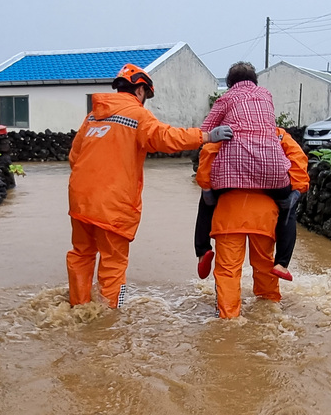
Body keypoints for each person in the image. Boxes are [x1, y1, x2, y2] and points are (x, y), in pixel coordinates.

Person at [66, 63, 233, 308]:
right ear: (140, 90)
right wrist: (206, 136)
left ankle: (78, 307)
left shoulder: (92, 116)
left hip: (80, 200)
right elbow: (166, 138)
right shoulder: (137, 115)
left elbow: (74, 157)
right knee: (113, 262)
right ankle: (109, 316)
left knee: (81, 254)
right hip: (113, 203)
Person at [194, 61, 304, 281]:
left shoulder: (225, 109)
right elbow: (298, 160)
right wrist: (296, 192)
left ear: (230, 83)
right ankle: (282, 263)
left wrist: (207, 189)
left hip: (230, 183)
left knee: (205, 204)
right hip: (273, 175)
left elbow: (204, 138)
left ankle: (202, 250)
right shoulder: (271, 111)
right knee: (289, 210)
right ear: (255, 82)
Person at [195, 129, 308, 318]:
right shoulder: (277, 134)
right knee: (265, 265)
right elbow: (298, 159)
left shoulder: (227, 132)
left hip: (228, 213)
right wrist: (297, 188)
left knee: (227, 271)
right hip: (265, 215)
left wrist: (206, 186)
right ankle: (269, 310)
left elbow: (208, 154)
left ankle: (227, 317)